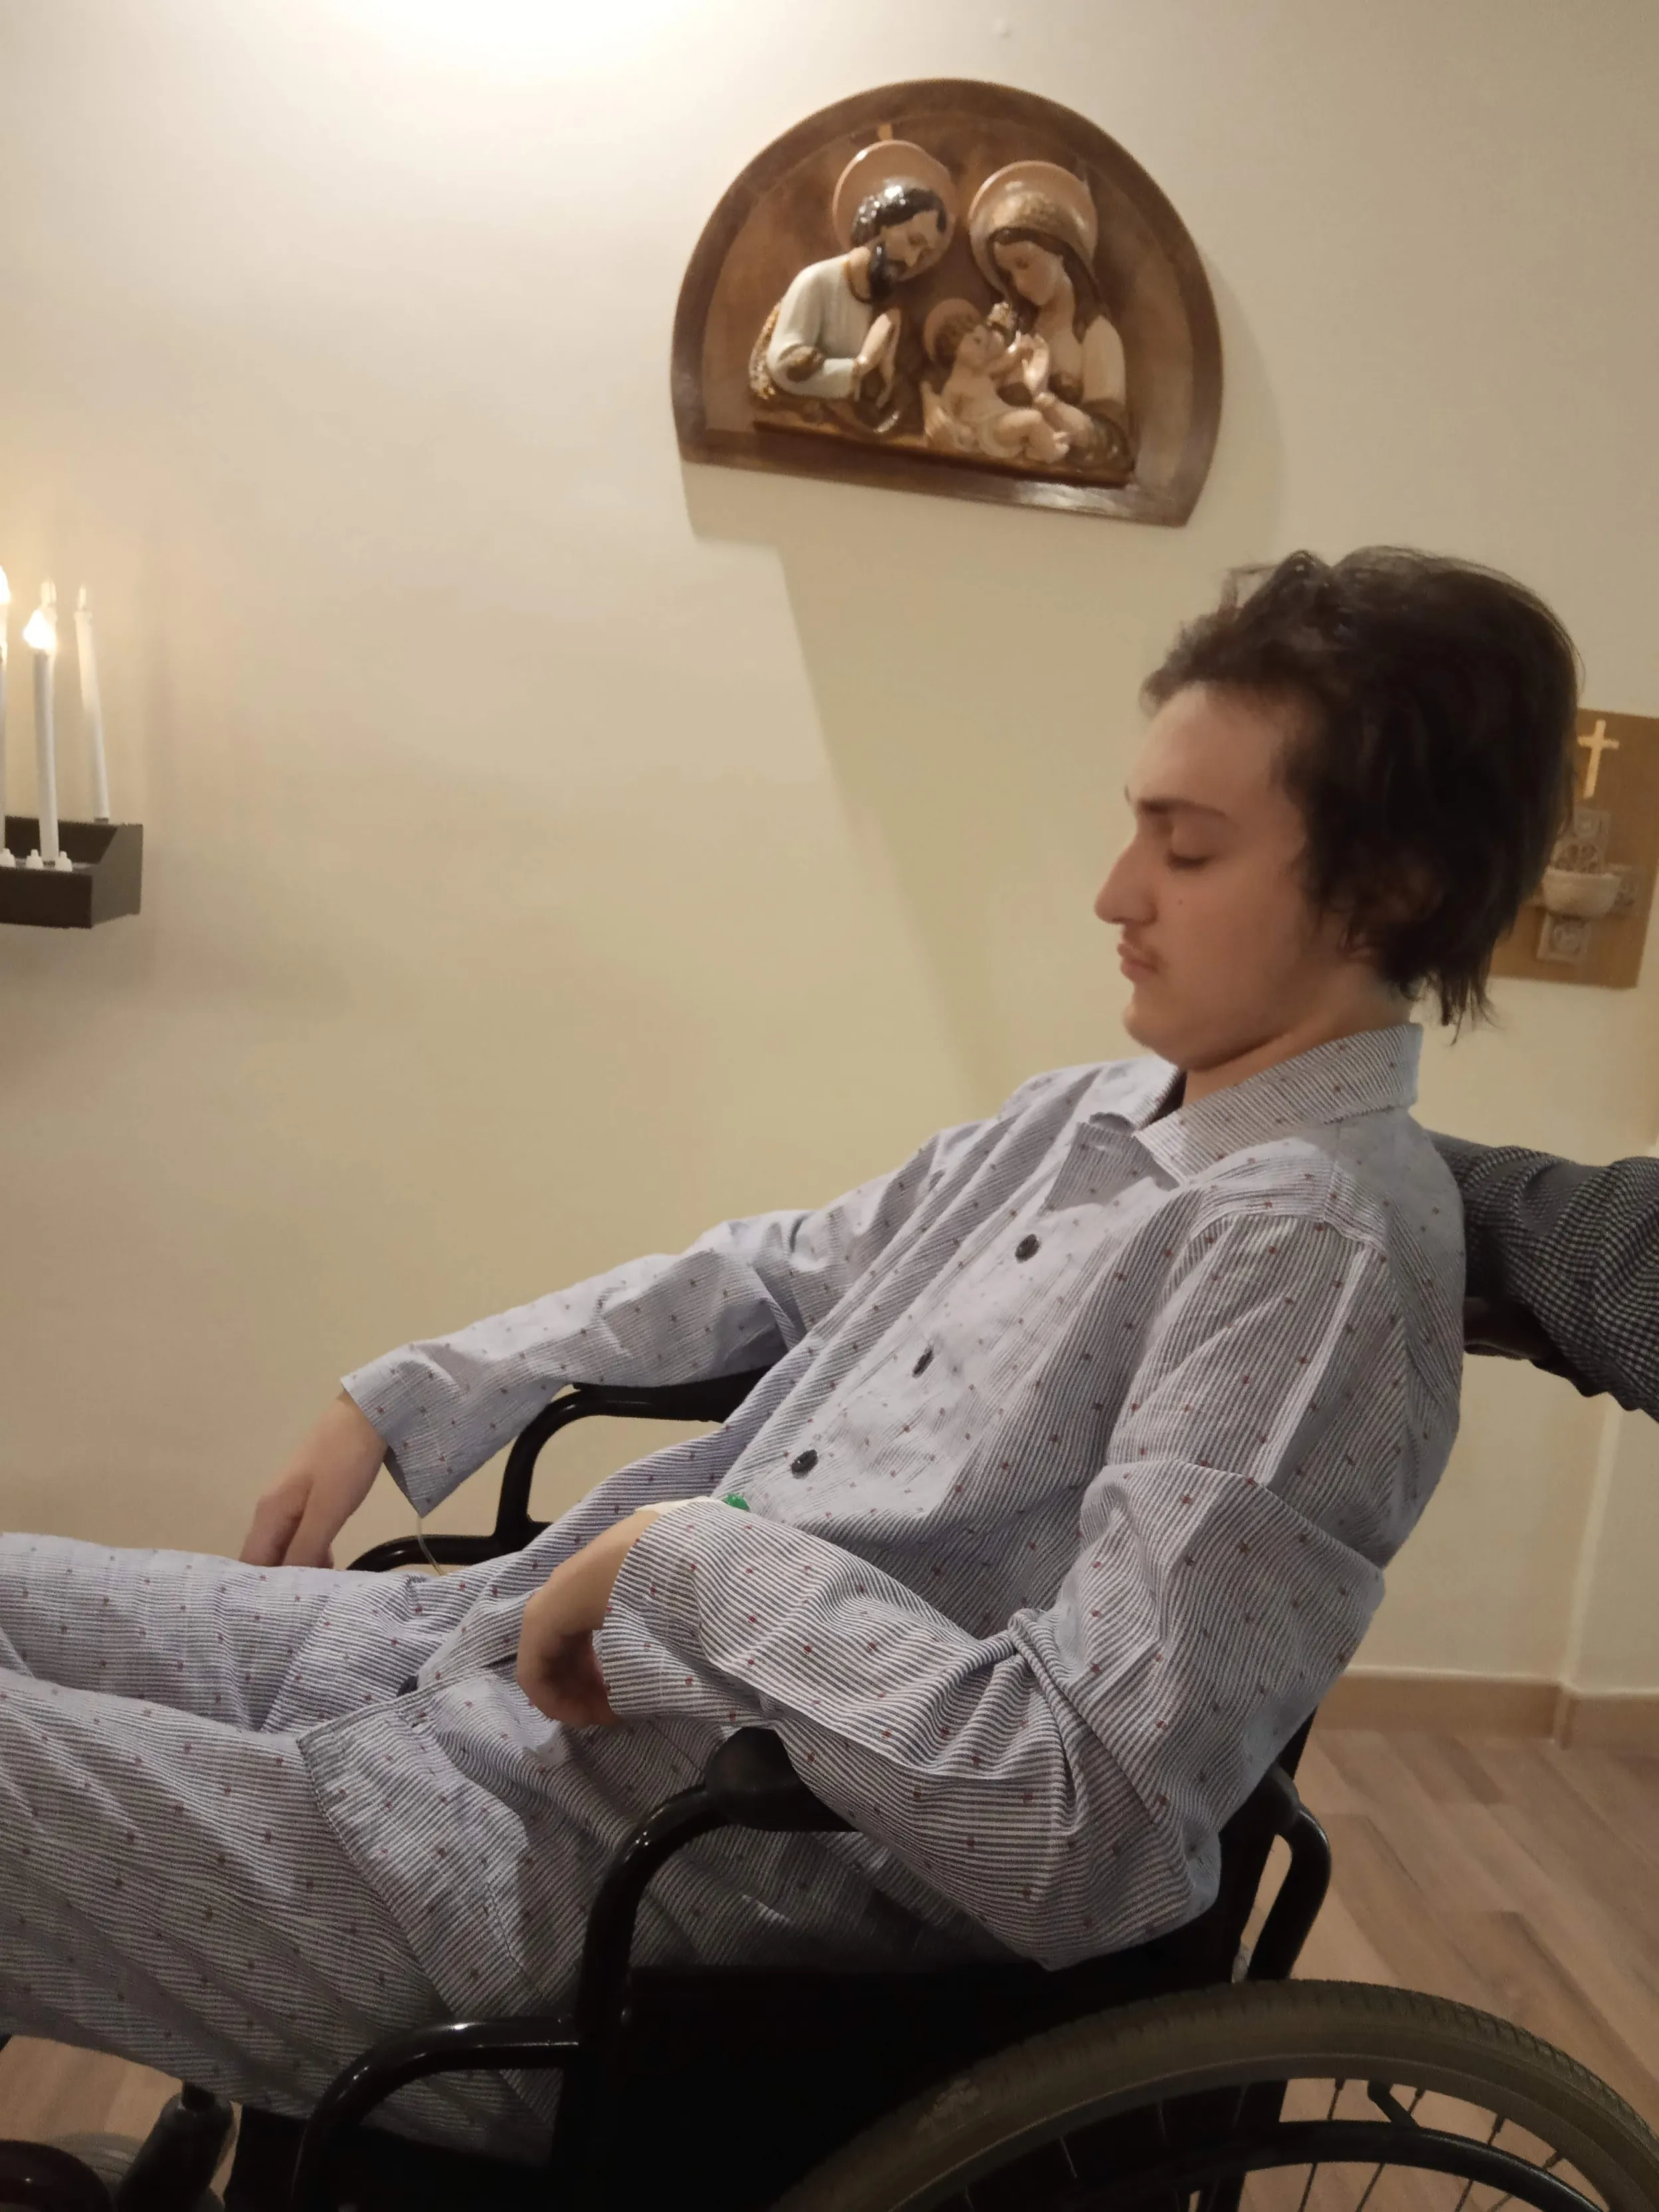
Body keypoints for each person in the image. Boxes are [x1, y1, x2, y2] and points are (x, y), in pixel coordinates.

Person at [0, 548, 1579, 2156]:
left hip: (589, 1908)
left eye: (1187, 847)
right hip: (458, 1675)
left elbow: (1082, 1821)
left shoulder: (1307, 1256)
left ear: (1389, 889)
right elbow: (771, 1271)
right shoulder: (1084, 1117)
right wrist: (412, 1392)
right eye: (1137, 828)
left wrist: (685, 1565)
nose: (1116, 891)